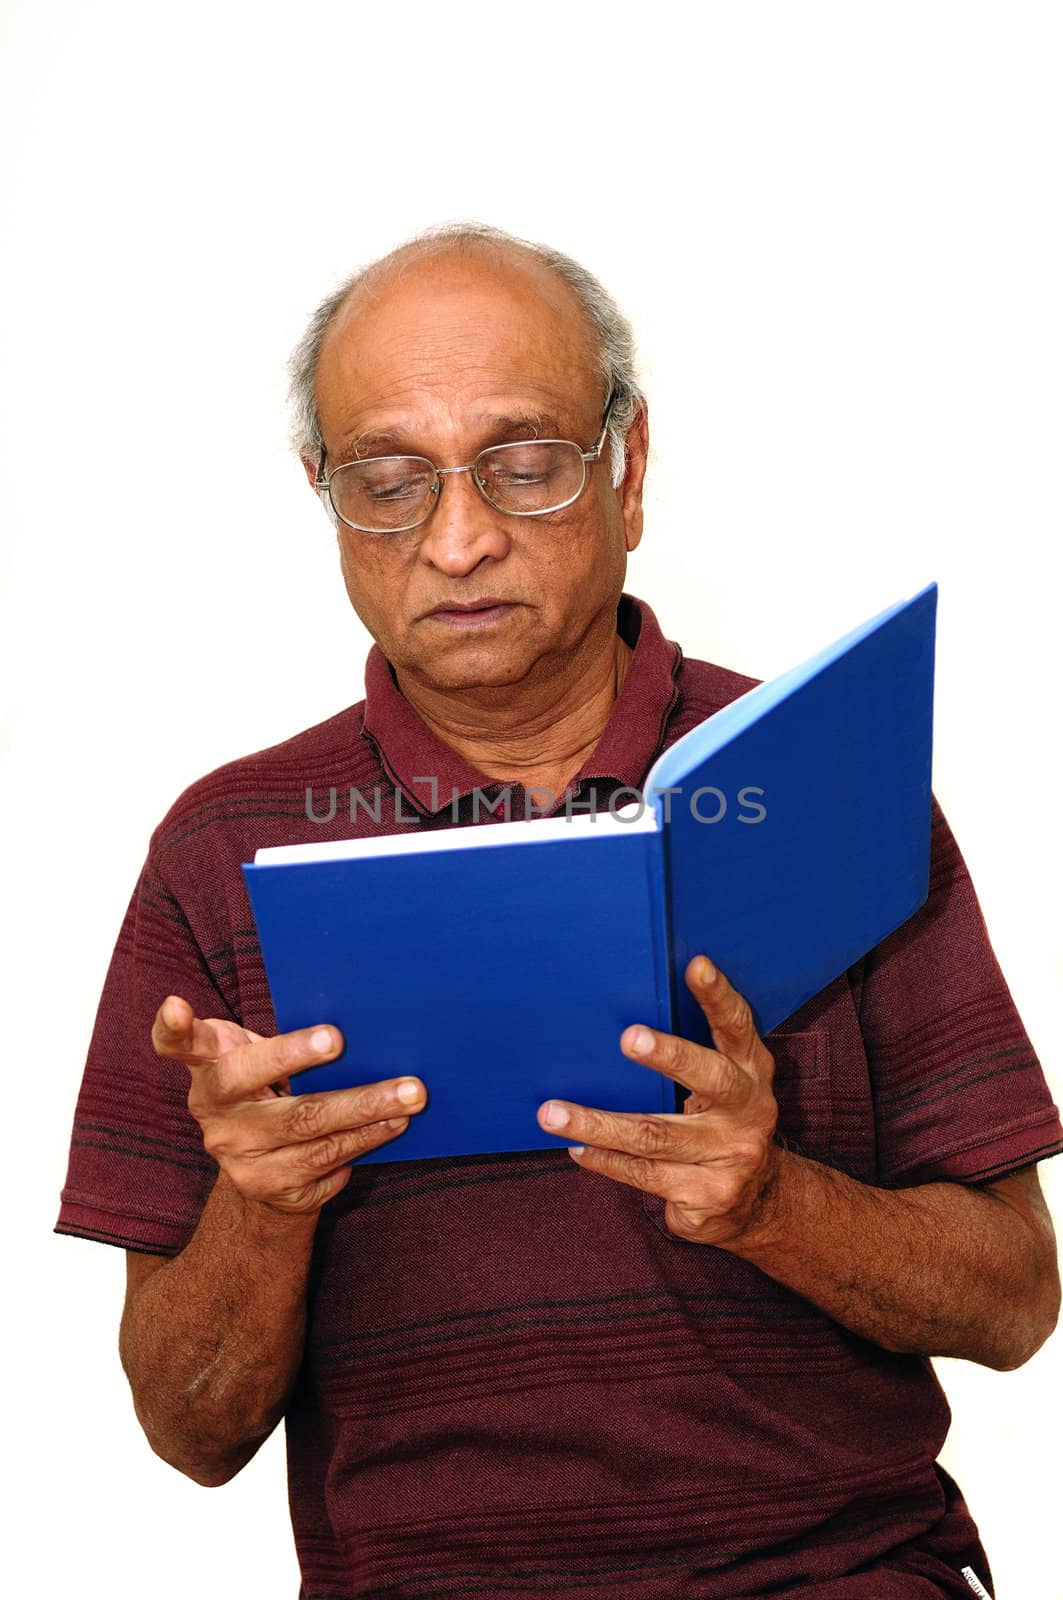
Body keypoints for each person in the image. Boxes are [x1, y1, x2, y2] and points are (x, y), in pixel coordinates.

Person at [57, 223, 1061, 1600]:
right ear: (326, 497)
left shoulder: (826, 783)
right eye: (390, 483)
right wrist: (262, 1200)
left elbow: (1015, 1299)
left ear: (627, 467)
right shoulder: (223, 853)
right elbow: (190, 1430)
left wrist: (775, 1203)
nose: (459, 541)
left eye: (524, 466)